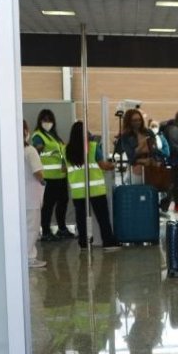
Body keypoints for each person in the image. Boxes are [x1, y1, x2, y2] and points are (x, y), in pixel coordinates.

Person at [66, 121, 120, 252]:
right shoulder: (93, 147)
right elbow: (103, 165)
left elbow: (63, 168)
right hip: (95, 190)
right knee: (102, 217)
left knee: (81, 218)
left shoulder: (65, 149)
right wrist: (113, 165)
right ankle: (108, 242)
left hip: (78, 191)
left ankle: (83, 244)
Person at [32, 108, 73, 241]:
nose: (47, 122)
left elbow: (60, 153)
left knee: (63, 202)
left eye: (50, 120)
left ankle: (62, 229)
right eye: (45, 120)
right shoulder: (38, 135)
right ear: (40, 121)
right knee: (48, 205)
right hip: (48, 177)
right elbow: (36, 151)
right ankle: (46, 232)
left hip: (60, 176)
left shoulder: (54, 136)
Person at [22, 121, 46, 269]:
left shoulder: (11, 150)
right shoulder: (30, 150)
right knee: (32, 227)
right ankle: (29, 257)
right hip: (31, 195)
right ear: (25, 131)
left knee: (23, 227)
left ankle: (24, 255)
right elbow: (37, 172)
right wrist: (43, 181)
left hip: (20, 196)